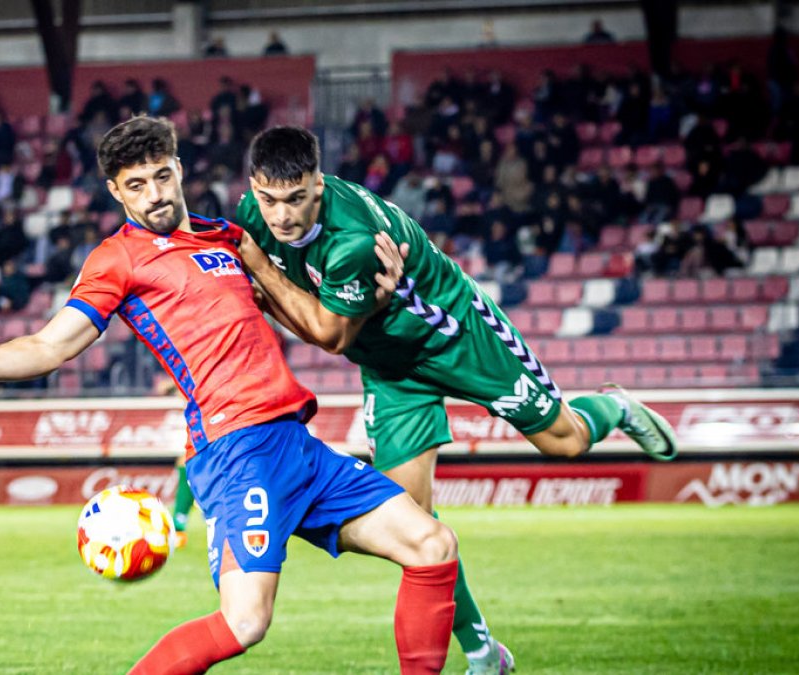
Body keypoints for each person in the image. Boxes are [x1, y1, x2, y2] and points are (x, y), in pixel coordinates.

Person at [0, 116, 461, 675]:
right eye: (136, 185)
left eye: (161, 176)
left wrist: (372, 291)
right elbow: (52, 346)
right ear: (115, 192)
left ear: (179, 169)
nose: (153, 194)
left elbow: (318, 323)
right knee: (245, 622)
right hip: (237, 452)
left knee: (432, 544)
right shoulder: (118, 259)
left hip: (296, 445)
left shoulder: (228, 236)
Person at [235, 126, 681, 675]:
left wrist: (259, 272)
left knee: (565, 442)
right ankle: (483, 652)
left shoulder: (351, 239)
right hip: (392, 368)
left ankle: (615, 407)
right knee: (414, 522)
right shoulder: (249, 217)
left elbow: (329, 336)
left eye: (296, 199)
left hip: (458, 335)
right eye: (268, 199)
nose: (281, 216)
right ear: (253, 188)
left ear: (319, 186)